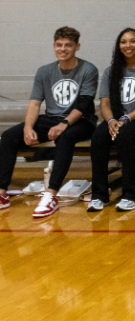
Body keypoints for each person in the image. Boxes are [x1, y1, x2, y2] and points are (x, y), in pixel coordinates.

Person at [0, 27, 98, 217]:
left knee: (65, 137)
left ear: (77, 46)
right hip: (51, 119)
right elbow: (35, 104)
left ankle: (51, 195)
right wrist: (28, 127)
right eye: (59, 45)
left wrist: (64, 124)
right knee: (9, 136)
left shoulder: (88, 69)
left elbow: (84, 103)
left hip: (82, 120)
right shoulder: (44, 71)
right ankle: (2, 193)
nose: (63, 49)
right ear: (54, 46)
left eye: (68, 45)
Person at [87, 29, 135, 213]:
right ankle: (99, 195)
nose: (128, 45)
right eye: (123, 42)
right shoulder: (111, 71)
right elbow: (104, 103)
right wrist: (111, 120)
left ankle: (134, 195)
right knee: (98, 136)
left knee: (125, 135)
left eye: (133, 41)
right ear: (118, 46)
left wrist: (127, 118)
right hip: (117, 119)